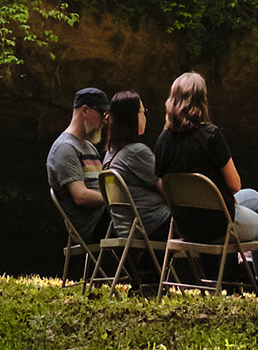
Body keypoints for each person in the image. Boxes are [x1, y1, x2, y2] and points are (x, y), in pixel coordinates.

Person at [153, 68, 258, 293]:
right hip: (218, 225)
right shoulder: (211, 135)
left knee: (254, 197)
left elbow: (164, 186)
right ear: (201, 101)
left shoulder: (163, 141)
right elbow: (235, 185)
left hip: (184, 224)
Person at [102, 88, 174, 277]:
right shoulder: (136, 152)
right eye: (143, 112)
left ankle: (147, 274)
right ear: (132, 117)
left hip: (126, 225)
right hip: (154, 225)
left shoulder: (109, 154)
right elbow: (167, 190)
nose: (145, 117)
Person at [46, 86, 112, 246]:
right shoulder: (65, 148)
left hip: (106, 219)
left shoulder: (89, 147)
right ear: (85, 110)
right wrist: (117, 199)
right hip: (92, 227)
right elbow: (80, 196)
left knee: (148, 215)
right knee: (151, 221)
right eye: (102, 114)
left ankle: (146, 270)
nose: (105, 120)